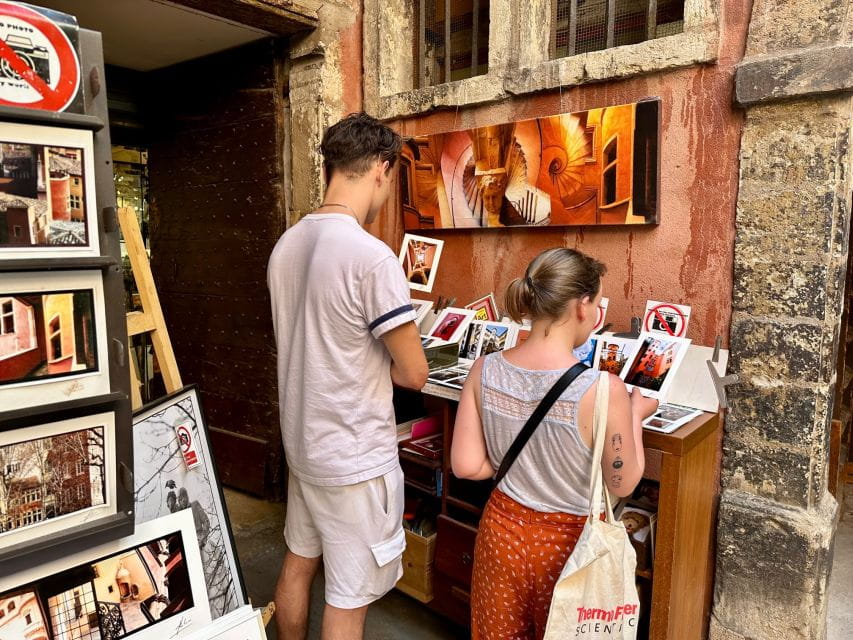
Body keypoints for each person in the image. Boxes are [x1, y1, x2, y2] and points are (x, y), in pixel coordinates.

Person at [267, 112, 429, 640]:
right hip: (354, 458)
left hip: (304, 446)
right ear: (382, 169)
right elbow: (415, 374)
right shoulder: (372, 258)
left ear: (331, 167)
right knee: (348, 599)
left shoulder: (287, 245)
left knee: (298, 563)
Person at [450, 248, 658, 640]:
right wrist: (634, 414)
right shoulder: (603, 389)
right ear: (582, 306)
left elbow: (467, 465)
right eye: (597, 304)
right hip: (572, 549)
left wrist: (523, 463)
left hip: (501, 536)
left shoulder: (485, 369)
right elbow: (623, 482)